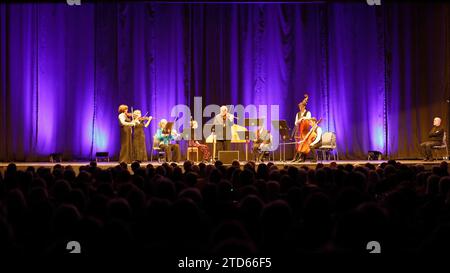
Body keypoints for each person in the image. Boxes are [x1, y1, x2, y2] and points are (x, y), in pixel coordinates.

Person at [292, 94, 312, 162]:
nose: (300, 108)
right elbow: (295, 122)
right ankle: (296, 158)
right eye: (299, 107)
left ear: (304, 106)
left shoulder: (308, 113)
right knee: (297, 145)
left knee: (303, 144)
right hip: (299, 130)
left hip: (305, 131)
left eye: (301, 107)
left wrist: (303, 118)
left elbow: (309, 120)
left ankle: (302, 158)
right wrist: (298, 121)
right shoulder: (298, 114)